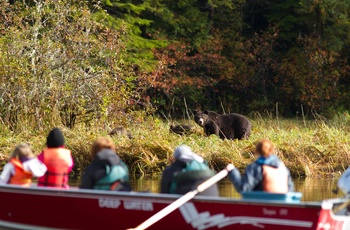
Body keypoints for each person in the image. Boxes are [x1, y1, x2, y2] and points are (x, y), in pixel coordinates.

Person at [228, 138, 294, 193]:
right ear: (272, 150)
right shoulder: (283, 168)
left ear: (256, 151)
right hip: (282, 204)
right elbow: (290, 190)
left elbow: (243, 189)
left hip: (262, 203)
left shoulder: (255, 167)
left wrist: (232, 171)